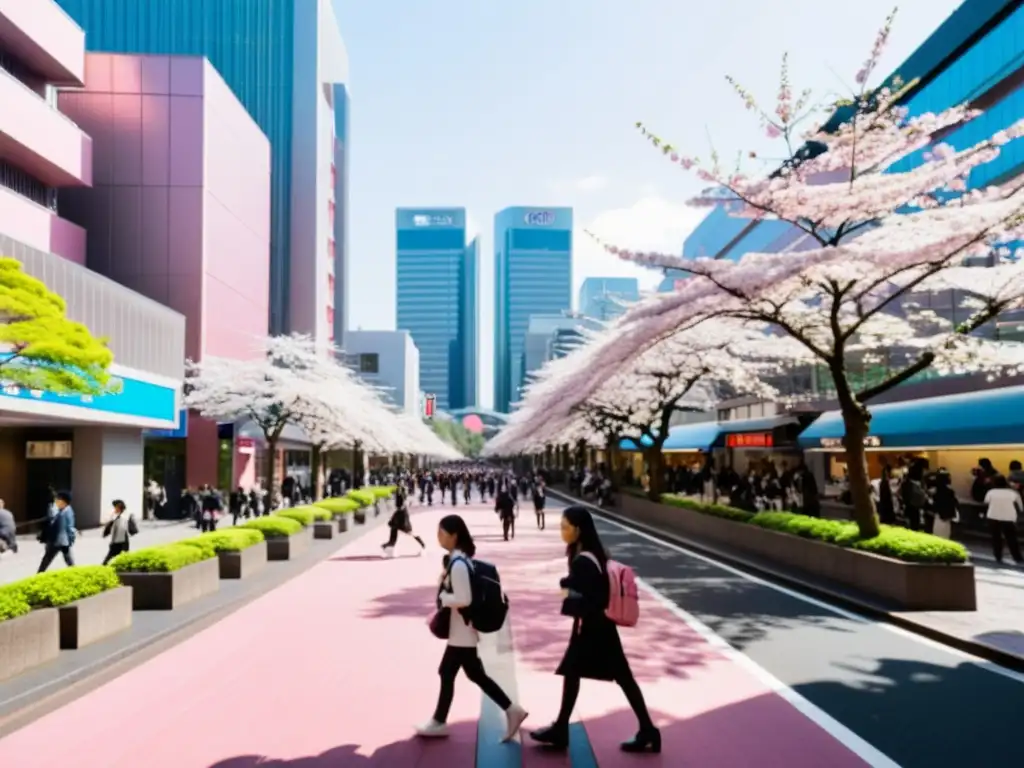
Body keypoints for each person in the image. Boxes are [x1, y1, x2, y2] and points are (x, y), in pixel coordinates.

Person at [530, 506, 659, 753]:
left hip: (593, 628)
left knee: (594, 673)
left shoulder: (582, 559)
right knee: (584, 673)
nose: (562, 532)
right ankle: (646, 729)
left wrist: (568, 593)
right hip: (598, 626)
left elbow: (596, 598)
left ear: (578, 530)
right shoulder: (592, 553)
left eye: (565, 527)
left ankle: (562, 729)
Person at [418, 514, 528, 741]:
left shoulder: (458, 564)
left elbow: (464, 598)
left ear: (454, 535)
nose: (438, 537)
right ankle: (512, 710)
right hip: (463, 631)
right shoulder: (461, 560)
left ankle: (439, 722)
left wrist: (445, 598)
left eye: (442, 533)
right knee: (471, 673)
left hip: (462, 632)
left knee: (449, 672)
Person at [984, 475, 1023, 564]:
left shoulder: (991, 492)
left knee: (996, 538)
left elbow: (986, 502)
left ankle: (998, 556)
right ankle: (1017, 557)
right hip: (1008, 517)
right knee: (1011, 538)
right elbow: (1020, 507)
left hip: (993, 516)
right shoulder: (1013, 493)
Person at [37, 491, 76, 572]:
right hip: (57, 541)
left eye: (59, 500)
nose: (57, 501)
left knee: (48, 559)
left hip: (60, 541)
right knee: (48, 559)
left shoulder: (67, 512)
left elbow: (70, 527)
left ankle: (39, 574)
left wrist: (71, 539)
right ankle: (39, 574)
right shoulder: (61, 510)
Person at [382, 488, 425, 556]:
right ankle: (389, 548)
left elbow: (399, 517)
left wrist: (392, 522)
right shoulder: (401, 510)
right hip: (400, 525)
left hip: (402, 525)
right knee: (395, 535)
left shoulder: (401, 511)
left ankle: (388, 547)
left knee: (410, 534)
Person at [102, 500, 137, 564]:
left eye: (115, 507)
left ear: (118, 508)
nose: (114, 509)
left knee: (110, 558)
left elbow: (120, 529)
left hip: (120, 541)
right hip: (121, 541)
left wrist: (112, 541)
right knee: (123, 558)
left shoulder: (122, 517)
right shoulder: (119, 516)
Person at [929, 470, 959, 539]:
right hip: (946, 516)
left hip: (938, 515)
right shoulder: (950, 491)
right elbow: (953, 503)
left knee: (937, 534)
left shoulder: (935, 491)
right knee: (945, 534)